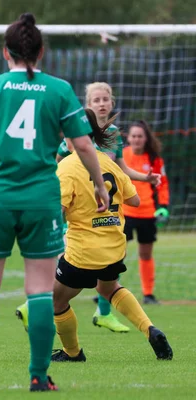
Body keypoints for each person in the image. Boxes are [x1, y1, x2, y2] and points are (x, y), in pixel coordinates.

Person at [0, 13, 109, 393]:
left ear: (5, 52)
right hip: (41, 198)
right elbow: (85, 144)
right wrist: (100, 184)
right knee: (39, 290)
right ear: (41, 51)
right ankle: (39, 375)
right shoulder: (58, 90)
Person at [16, 82, 161, 333]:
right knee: (69, 261)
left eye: (105, 99)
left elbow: (122, 171)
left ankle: (98, 314)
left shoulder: (113, 136)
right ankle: (36, 304)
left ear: (112, 103)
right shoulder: (72, 140)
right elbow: (58, 170)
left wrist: (145, 178)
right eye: (96, 100)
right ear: (87, 106)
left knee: (99, 267)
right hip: (76, 212)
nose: (101, 104)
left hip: (106, 213)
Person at [50, 109, 173, 363]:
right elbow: (136, 200)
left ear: (69, 134)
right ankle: (151, 330)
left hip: (83, 253)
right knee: (110, 287)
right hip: (114, 247)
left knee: (57, 301)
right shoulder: (107, 161)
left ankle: (73, 353)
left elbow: (58, 213)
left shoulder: (68, 166)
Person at [123, 120, 169, 304]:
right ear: (128, 138)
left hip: (147, 213)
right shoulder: (121, 155)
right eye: (133, 136)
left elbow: (162, 184)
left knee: (145, 254)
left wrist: (163, 206)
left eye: (139, 136)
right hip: (124, 211)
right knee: (117, 253)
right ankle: (107, 290)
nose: (136, 139)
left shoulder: (154, 159)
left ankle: (148, 294)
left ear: (145, 138)